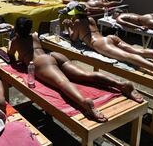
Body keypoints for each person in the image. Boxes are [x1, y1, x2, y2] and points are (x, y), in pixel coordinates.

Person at [7, 17, 143, 123]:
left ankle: (84, 102)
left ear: (17, 30)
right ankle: (120, 84)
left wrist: (12, 41)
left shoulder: (15, 41)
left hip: (40, 62)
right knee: (85, 74)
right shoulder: (35, 36)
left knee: (63, 83)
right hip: (53, 55)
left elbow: (11, 55)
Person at [62, 5, 153, 84]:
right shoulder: (91, 20)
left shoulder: (77, 22)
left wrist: (69, 27)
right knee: (136, 51)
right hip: (109, 38)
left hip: (99, 43)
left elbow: (74, 39)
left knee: (126, 56)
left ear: (76, 14)